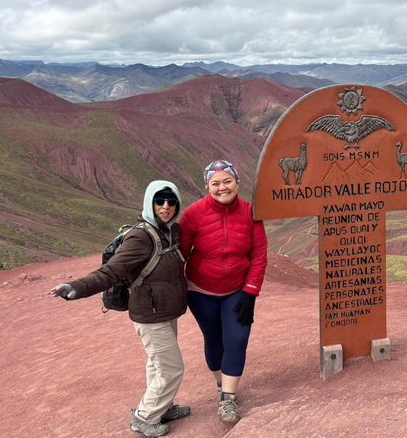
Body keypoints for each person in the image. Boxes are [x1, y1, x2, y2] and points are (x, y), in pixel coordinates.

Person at [49, 180, 190, 438]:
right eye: (160, 201)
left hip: (165, 311)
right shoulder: (141, 236)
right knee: (171, 368)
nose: (166, 206)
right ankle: (145, 417)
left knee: (158, 365)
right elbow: (111, 272)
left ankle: (162, 407)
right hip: (151, 315)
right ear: (150, 203)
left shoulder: (171, 230)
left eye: (171, 201)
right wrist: (76, 287)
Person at [178, 160, 267, 424]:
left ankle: (228, 399)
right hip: (200, 290)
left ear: (237, 182)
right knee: (214, 340)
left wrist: (250, 293)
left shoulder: (251, 212)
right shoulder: (193, 214)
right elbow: (180, 254)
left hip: (237, 290)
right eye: (215, 183)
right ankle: (220, 384)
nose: (222, 187)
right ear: (207, 186)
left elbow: (259, 255)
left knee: (237, 339)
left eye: (227, 180)